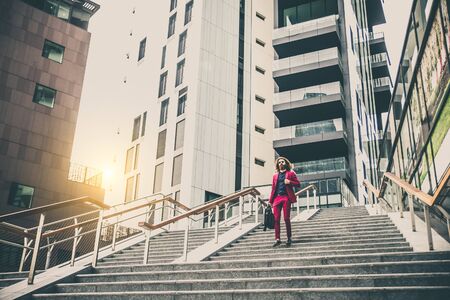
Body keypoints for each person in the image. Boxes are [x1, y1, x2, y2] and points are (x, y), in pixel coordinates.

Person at [268, 156, 300, 247]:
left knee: (286, 218)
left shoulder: (291, 173)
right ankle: (277, 239)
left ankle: (289, 237)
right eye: (279, 162)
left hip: (286, 197)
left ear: (286, 163)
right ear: (278, 165)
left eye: (282, 162)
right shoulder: (275, 176)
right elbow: (273, 189)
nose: (281, 163)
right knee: (276, 219)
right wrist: (270, 201)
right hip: (277, 199)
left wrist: (289, 182)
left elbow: (298, 184)